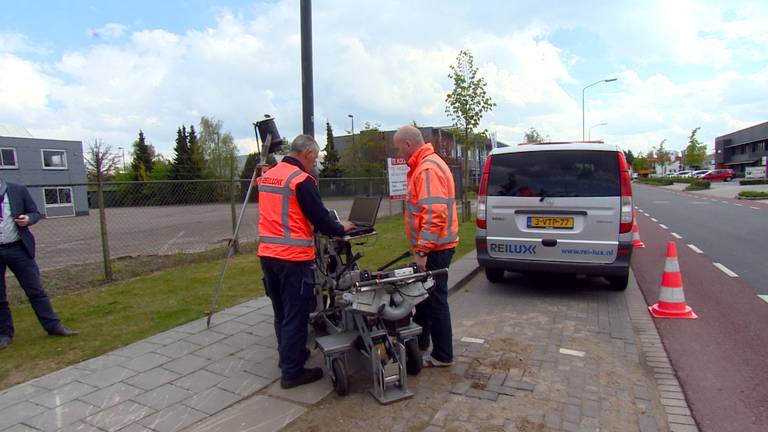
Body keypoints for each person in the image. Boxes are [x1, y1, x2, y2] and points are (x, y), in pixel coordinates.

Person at [257, 135, 355, 389]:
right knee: (296, 315)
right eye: (316, 158)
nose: (316, 163)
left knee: (281, 312)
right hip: (292, 258)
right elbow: (320, 218)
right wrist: (340, 227)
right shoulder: (301, 180)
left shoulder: (269, 175)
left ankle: (290, 357)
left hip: (268, 255)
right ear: (308, 153)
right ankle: (292, 373)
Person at [392, 125, 459, 367]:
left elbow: (434, 214)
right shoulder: (426, 165)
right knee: (425, 298)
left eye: (399, 148)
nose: (398, 153)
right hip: (436, 246)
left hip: (435, 249)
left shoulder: (427, 169)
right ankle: (420, 341)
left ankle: (442, 355)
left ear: (408, 144)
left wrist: (422, 250)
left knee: (435, 299)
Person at [0, 179, 78, 351]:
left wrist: (28, 219)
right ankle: (4, 334)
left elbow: (35, 213)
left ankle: (53, 326)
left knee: (35, 290)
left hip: (18, 248)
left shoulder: (17, 190)